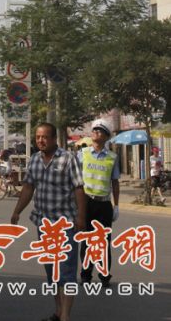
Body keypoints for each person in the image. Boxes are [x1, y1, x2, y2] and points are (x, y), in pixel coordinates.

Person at [11, 123, 85, 321]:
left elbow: (79, 188)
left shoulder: (68, 159)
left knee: (67, 271)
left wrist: (81, 217)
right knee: (52, 272)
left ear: (54, 139)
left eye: (44, 137)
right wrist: (17, 211)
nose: (40, 141)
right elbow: (28, 188)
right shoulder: (34, 160)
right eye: (37, 137)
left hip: (66, 224)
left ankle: (65, 317)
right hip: (44, 225)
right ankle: (58, 311)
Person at [78, 119, 120, 287]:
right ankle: (86, 275)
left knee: (104, 241)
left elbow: (115, 182)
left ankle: (104, 275)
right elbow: (76, 179)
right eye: (94, 130)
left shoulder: (112, 157)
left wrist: (116, 205)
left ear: (106, 136)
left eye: (100, 131)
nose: (96, 132)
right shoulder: (83, 153)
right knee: (86, 240)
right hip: (86, 202)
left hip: (104, 205)